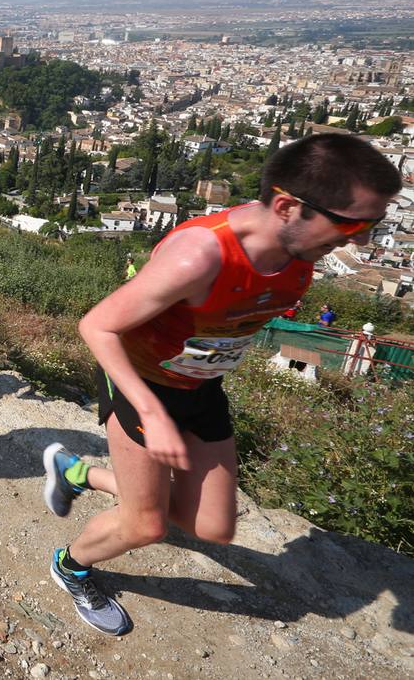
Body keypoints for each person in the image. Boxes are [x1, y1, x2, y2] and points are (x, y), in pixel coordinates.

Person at [40, 133, 399, 636]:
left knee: (211, 526)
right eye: (353, 223)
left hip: (202, 387)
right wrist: (151, 412)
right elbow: (96, 326)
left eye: (373, 224)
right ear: (286, 206)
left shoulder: (300, 252)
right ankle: (70, 565)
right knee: (147, 525)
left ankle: (78, 472)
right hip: (144, 385)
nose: (361, 240)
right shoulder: (200, 257)